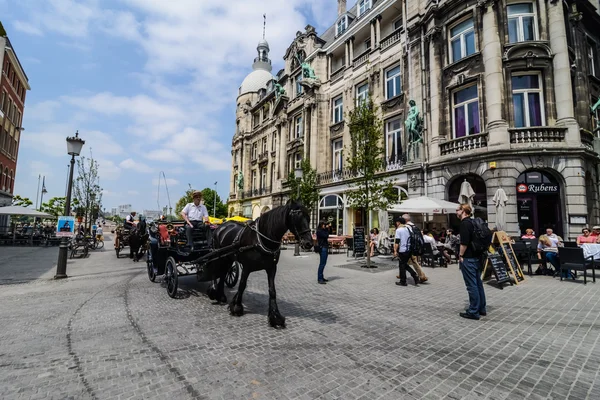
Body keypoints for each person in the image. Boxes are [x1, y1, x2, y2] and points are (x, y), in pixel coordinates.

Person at [456, 203, 486, 320]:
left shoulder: (464, 224)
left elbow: (464, 242)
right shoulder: (473, 222)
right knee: (478, 284)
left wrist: (461, 255)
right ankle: (481, 308)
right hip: (478, 257)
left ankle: (473, 311)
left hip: (468, 257)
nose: (456, 212)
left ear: (463, 211)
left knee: (471, 285)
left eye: (457, 210)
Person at [401, 214, 428, 283]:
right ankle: (401, 274)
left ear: (405, 220)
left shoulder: (406, 227)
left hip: (409, 248)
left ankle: (421, 276)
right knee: (406, 262)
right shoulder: (414, 226)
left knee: (412, 262)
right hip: (415, 247)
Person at [393, 216, 419, 286]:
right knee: (404, 264)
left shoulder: (399, 230)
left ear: (398, 222)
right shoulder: (408, 228)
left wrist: (395, 250)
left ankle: (403, 281)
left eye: (396, 222)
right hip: (409, 249)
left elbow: (397, 242)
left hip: (403, 250)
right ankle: (414, 275)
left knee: (402, 265)